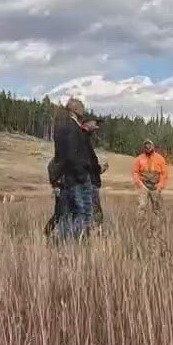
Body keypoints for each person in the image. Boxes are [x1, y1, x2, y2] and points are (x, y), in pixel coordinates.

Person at [49, 97, 103, 241]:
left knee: (68, 212)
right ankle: (73, 243)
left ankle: (63, 242)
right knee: (81, 212)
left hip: (70, 177)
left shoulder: (64, 125)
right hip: (76, 178)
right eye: (81, 107)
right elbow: (72, 155)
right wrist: (82, 174)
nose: (83, 109)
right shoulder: (72, 128)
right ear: (75, 109)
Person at [133, 140, 168, 209]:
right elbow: (135, 172)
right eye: (146, 146)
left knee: (157, 209)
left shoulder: (160, 159)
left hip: (155, 186)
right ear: (144, 148)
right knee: (141, 207)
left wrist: (160, 185)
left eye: (150, 146)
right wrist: (140, 184)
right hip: (143, 186)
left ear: (153, 147)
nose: (148, 148)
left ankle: (157, 220)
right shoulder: (139, 159)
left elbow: (164, 174)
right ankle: (142, 220)